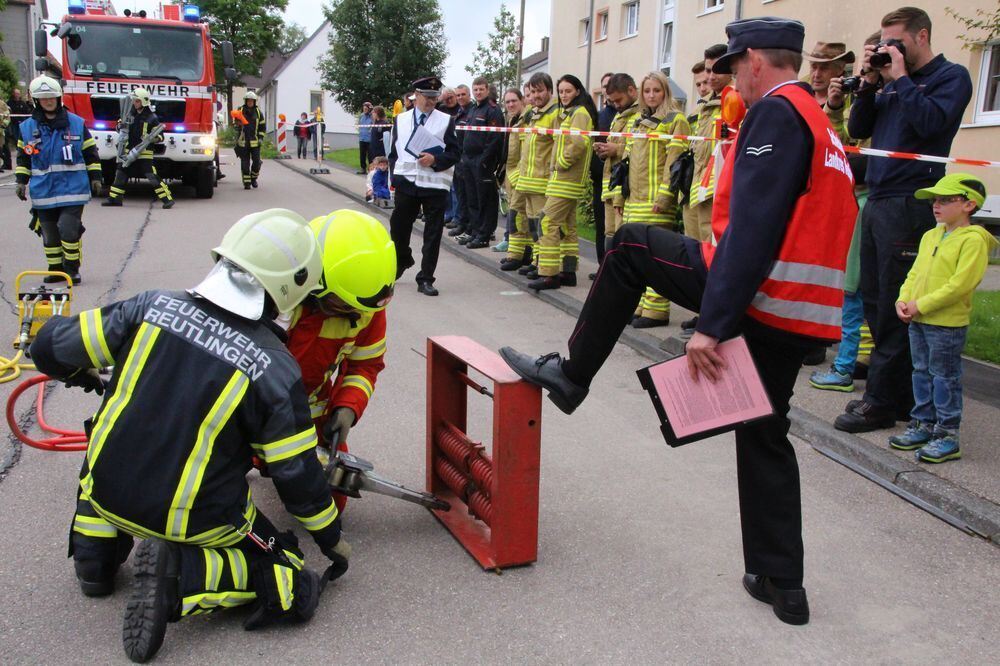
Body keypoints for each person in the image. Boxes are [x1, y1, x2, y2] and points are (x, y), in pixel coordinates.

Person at [500, 16, 858, 626]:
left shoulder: (776, 112)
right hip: (798, 312)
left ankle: (571, 374)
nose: (728, 84)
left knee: (631, 246)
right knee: (765, 430)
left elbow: (756, 225)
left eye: (730, 70)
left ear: (753, 63)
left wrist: (712, 325)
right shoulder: (821, 123)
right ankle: (782, 582)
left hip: (754, 292)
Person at [29, 209, 350, 662]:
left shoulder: (149, 307)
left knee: (106, 472)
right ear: (292, 287)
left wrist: (77, 369)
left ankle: (94, 562)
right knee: (287, 568)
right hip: (196, 519)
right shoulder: (274, 369)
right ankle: (181, 577)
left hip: (104, 492)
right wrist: (331, 539)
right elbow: (295, 475)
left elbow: (46, 347)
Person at [836, 6, 973, 433]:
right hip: (878, 197)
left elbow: (932, 124)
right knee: (876, 301)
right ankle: (896, 397)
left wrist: (899, 79)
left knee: (898, 302)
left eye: (897, 43)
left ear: (922, 37)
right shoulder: (892, 82)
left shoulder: (951, 78)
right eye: (885, 43)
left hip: (912, 200)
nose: (891, 50)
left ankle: (880, 401)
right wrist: (868, 84)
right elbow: (859, 128)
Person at [285, 210, 395, 509]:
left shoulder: (364, 300)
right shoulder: (279, 299)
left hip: (313, 416)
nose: (354, 314)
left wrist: (348, 406)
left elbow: (365, 365)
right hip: (250, 413)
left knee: (331, 502)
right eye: (342, 304)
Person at [889, 174, 996, 463]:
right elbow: (914, 273)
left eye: (946, 200)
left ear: (969, 205)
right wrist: (903, 299)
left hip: (946, 324)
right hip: (920, 319)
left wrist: (920, 304)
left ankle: (947, 433)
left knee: (945, 378)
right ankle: (923, 423)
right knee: (920, 372)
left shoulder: (973, 241)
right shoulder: (930, 235)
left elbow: (960, 284)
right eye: (935, 200)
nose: (936, 205)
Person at [617, 71, 691, 327]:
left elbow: (675, 164)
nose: (651, 96)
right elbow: (625, 163)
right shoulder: (638, 121)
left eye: (656, 91)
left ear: (665, 92)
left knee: (656, 259)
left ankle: (657, 311)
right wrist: (620, 195)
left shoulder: (675, 120)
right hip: (634, 201)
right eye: (647, 91)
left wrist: (665, 197)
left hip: (655, 202)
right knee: (638, 258)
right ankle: (641, 306)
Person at [14, 75, 102, 285]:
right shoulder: (27, 128)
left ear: (58, 97)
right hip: (43, 192)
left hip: (73, 190)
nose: (49, 101)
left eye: (52, 97)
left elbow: (91, 154)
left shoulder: (77, 124)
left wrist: (96, 178)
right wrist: (20, 181)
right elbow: (23, 158)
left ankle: (71, 270)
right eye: (44, 98)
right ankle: (55, 269)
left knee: (68, 229)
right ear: (37, 101)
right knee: (50, 234)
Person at [388, 76, 461, 297]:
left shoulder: (446, 120)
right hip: (407, 182)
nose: (430, 102)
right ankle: (402, 259)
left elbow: (455, 152)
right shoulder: (400, 120)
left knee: (433, 233)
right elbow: (394, 152)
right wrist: (394, 177)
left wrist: (435, 160)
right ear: (416, 96)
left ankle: (426, 278)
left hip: (434, 185)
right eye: (426, 97)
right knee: (399, 228)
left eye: (433, 97)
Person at [526, 74, 598, 291]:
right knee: (567, 227)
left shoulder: (580, 113)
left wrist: (560, 163)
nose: (564, 95)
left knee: (547, 221)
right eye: (562, 91)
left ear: (578, 91)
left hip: (566, 179)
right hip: (562, 179)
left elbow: (578, 143)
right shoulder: (569, 113)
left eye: (568, 91)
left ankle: (549, 274)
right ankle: (568, 271)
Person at [514, 73, 559, 279]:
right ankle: (536, 261)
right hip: (529, 179)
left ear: (550, 91)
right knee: (533, 225)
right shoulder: (534, 114)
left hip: (543, 180)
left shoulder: (555, 114)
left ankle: (543, 265)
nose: (536, 95)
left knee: (542, 225)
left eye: (540, 91)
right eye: (532, 91)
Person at [102, 88, 174, 209]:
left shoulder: (152, 118)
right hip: (128, 151)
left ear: (143, 102)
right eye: (134, 100)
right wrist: (120, 126)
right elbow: (119, 127)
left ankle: (167, 199)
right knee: (120, 173)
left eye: (137, 101)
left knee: (151, 176)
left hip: (144, 153)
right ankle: (115, 199)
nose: (134, 103)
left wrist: (152, 139)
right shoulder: (129, 115)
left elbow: (161, 136)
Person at [458, 76, 505, 249]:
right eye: (475, 89)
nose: (478, 92)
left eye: (481, 89)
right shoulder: (472, 110)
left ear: (487, 89)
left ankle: (485, 234)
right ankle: (476, 232)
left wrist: (484, 161)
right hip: (468, 160)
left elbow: (495, 139)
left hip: (482, 161)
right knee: (473, 198)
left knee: (485, 199)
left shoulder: (493, 110)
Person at [595, 74, 639, 258]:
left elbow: (639, 149)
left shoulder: (640, 116)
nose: (616, 105)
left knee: (621, 238)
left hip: (625, 187)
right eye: (612, 101)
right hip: (611, 186)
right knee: (610, 236)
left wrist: (617, 149)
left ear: (631, 90)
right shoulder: (619, 116)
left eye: (619, 100)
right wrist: (604, 151)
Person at [590, 72, 617, 270]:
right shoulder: (599, 116)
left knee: (617, 227)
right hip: (600, 176)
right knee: (602, 225)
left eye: (610, 85)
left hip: (619, 177)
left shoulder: (626, 113)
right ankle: (602, 265)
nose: (607, 90)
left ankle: (614, 267)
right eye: (604, 86)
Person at [805, 41, 855, 144]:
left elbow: (841, 142)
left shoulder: (852, 99)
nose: (816, 74)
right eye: (814, 67)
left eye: (824, 68)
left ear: (840, 69)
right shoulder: (801, 92)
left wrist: (835, 107)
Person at [495, 88, 526, 256]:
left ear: (522, 101)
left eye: (514, 100)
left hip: (520, 174)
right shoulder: (511, 119)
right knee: (515, 213)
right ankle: (513, 247)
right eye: (507, 102)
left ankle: (517, 251)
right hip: (510, 172)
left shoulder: (524, 120)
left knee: (519, 215)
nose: (511, 104)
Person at [446, 84, 476, 240]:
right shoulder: (460, 112)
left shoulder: (471, 112)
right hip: (458, 158)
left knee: (468, 195)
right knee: (460, 194)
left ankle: (468, 225)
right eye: (458, 95)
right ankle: (461, 222)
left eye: (463, 94)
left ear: (468, 95)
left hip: (468, 159)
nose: (460, 98)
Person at [235, 91, 266, 189]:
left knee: (257, 162)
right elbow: (235, 123)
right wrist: (238, 122)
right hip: (243, 142)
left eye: (252, 101)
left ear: (254, 102)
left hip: (255, 142)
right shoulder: (240, 110)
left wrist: (261, 138)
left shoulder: (258, 113)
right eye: (248, 101)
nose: (250, 102)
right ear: (246, 101)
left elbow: (262, 127)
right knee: (245, 164)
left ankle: (253, 178)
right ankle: (247, 183)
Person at [357, 101, 373, 173]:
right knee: (362, 155)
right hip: (362, 138)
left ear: (369, 109)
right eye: (364, 109)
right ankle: (363, 168)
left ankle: (370, 169)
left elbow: (374, 126)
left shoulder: (372, 116)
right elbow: (359, 124)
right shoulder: (361, 116)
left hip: (369, 139)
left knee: (370, 155)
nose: (365, 110)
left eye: (366, 109)